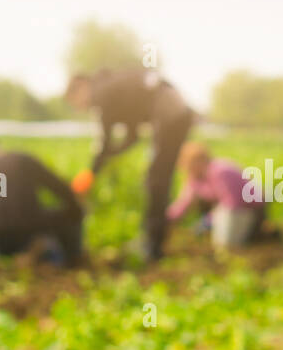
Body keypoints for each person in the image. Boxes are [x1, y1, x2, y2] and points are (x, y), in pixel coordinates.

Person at [64, 67, 196, 260]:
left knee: (157, 179)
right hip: (178, 111)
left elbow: (105, 142)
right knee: (159, 177)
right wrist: (110, 155)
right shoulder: (113, 87)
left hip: (168, 111)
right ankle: (153, 241)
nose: (82, 107)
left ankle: (152, 247)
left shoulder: (101, 93)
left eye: (77, 102)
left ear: (82, 86)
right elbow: (132, 136)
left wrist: (90, 175)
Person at [0, 138, 84, 266]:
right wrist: (76, 208)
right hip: (29, 231)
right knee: (70, 214)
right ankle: (69, 259)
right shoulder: (20, 160)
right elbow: (58, 186)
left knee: (0, 237)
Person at [167, 140, 267, 237]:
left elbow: (233, 203)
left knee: (227, 243)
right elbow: (184, 202)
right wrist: (166, 219)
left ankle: (252, 233)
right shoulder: (195, 178)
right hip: (225, 209)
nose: (185, 169)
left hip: (248, 209)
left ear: (198, 161)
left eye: (187, 164)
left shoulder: (220, 171)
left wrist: (209, 220)